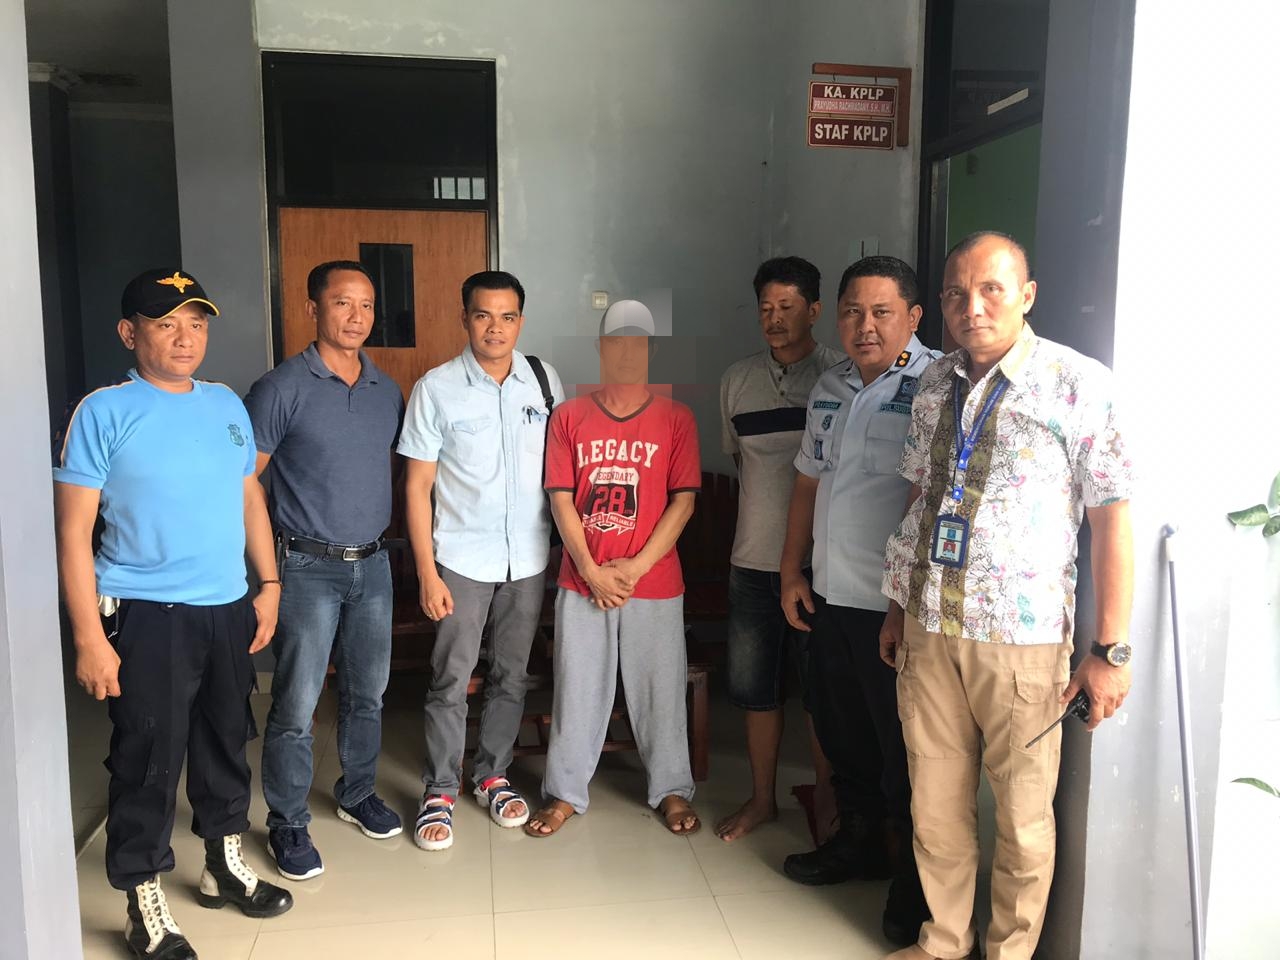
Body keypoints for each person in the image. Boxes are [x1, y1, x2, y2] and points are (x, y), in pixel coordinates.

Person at [879, 232, 1134, 960]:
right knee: (934, 804)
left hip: (1023, 640)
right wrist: (898, 607)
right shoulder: (933, 383)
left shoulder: (1077, 384)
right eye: (957, 293)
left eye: (991, 289)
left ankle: (1010, 953)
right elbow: (921, 498)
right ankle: (942, 941)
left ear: (1027, 295)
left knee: (1023, 816)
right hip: (930, 626)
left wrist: (1110, 650)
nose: (973, 307)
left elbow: (1112, 519)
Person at [54, 268, 292, 960]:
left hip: (225, 605)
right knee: (148, 756)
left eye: (196, 322)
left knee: (225, 741)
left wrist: (268, 582)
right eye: (166, 324)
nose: (186, 337)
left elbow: (249, 497)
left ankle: (223, 862)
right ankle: (142, 899)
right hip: (148, 612)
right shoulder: (103, 411)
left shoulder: (225, 404)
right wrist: (89, 637)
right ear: (130, 334)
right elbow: (72, 534)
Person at [776, 256, 939, 944]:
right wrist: (791, 570)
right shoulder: (832, 385)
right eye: (852, 311)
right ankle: (859, 845)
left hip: (892, 606)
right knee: (843, 734)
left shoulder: (937, 384)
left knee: (904, 751)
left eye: (880, 312)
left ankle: (915, 890)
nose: (864, 325)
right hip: (829, 595)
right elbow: (808, 482)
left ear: (913, 317)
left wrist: (903, 602)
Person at [245, 260, 406, 880]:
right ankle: (287, 821)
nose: (356, 317)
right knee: (296, 703)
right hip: (306, 567)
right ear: (313, 308)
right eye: (342, 303)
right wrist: (267, 574)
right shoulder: (280, 387)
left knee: (368, 694)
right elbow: (244, 483)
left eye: (366, 305)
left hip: (374, 565)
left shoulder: (386, 390)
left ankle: (356, 791)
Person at [397, 270, 564, 850]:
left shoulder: (543, 381)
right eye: (483, 315)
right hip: (461, 561)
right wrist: (426, 572)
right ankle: (440, 788)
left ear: (521, 320)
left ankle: (492, 774)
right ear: (465, 318)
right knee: (451, 677)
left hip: (530, 558)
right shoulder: (436, 388)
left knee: (512, 675)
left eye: (507, 316)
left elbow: (561, 472)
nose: (496, 328)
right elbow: (417, 486)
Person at [524, 299, 701, 838]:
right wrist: (591, 570)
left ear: (652, 351)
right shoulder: (569, 417)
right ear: (601, 349)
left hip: (655, 582)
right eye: (616, 343)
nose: (627, 353)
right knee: (576, 688)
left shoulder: (676, 418)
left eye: (638, 344)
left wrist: (635, 569)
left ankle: (671, 788)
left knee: (660, 690)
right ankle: (564, 793)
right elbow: (560, 499)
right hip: (583, 581)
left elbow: (683, 502)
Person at [716, 256, 844, 842]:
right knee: (755, 691)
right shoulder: (737, 380)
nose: (774, 318)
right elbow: (740, 462)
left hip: (819, 567)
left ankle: (830, 799)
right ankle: (762, 799)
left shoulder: (841, 378)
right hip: (751, 562)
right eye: (766, 307)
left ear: (813, 310)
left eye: (787, 307)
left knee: (822, 693)